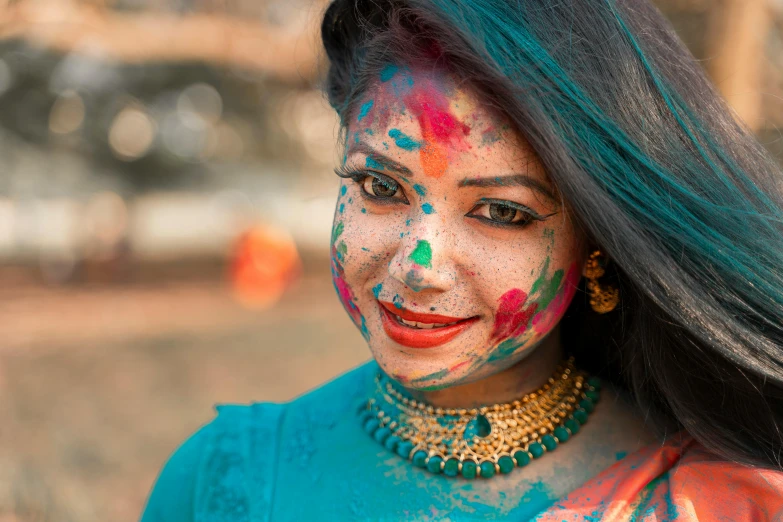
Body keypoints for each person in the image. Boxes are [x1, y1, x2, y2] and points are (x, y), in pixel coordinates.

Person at [141, 0, 783, 520]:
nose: (418, 265)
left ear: (598, 245)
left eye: (502, 212)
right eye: (380, 187)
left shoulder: (713, 502)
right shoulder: (222, 483)